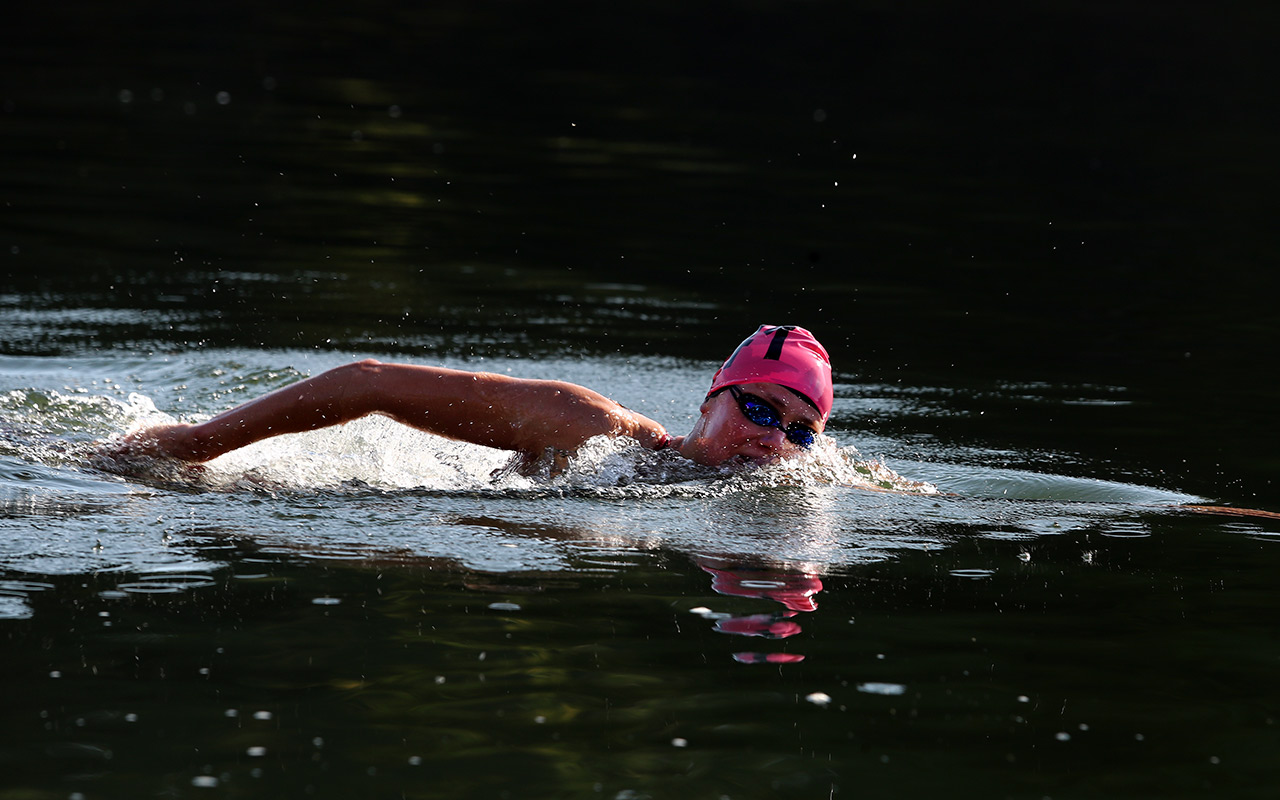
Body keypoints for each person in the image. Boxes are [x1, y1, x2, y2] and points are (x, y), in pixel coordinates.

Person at [104, 325, 834, 474]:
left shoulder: (815, 492)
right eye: (761, 411)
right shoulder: (592, 431)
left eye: (800, 432)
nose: (773, 441)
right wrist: (201, 442)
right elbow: (368, 381)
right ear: (711, 399)